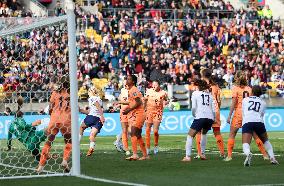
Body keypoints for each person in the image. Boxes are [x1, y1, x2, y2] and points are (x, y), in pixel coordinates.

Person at [224, 71, 269, 162]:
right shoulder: (249, 88)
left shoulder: (235, 88)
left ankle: (229, 156)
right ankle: (265, 155)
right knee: (255, 135)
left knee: (232, 134)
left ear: (237, 78)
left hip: (239, 113)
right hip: (248, 113)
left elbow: (233, 103)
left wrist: (229, 115)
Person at [37, 77, 72, 173]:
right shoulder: (71, 94)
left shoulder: (55, 93)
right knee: (69, 141)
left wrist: (52, 114)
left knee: (49, 142)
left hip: (54, 119)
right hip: (66, 120)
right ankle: (65, 161)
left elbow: (50, 107)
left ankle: (40, 166)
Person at [242, 85, 279, 166]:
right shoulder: (263, 102)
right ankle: (272, 158)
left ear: (252, 92)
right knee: (265, 140)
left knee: (245, 143)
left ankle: (248, 154)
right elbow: (261, 114)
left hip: (248, 121)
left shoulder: (245, 100)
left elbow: (244, 113)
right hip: (259, 122)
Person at [182, 79, 216, 162]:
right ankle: (203, 154)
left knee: (190, 135)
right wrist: (213, 118)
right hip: (210, 117)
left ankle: (187, 157)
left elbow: (193, 107)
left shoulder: (195, 93)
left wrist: (194, 114)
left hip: (201, 116)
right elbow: (214, 109)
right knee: (204, 134)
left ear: (198, 86)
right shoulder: (210, 95)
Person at [195, 69, 225, 159]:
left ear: (203, 75)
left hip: (204, 111)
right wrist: (217, 110)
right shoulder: (216, 86)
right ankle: (222, 153)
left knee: (199, 132)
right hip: (215, 111)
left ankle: (200, 153)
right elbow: (219, 101)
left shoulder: (200, 86)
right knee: (217, 132)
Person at [123, 75, 149, 161]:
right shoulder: (131, 90)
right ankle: (145, 155)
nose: (127, 80)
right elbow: (133, 102)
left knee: (133, 132)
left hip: (139, 114)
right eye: (127, 78)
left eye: (129, 79)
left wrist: (128, 110)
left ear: (133, 81)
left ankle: (135, 154)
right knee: (137, 135)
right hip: (137, 114)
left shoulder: (133, 90)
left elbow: (138, 102)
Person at [79, 86, 105, 156]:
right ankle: (91, 148)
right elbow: (91, 111)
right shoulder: (100, 99)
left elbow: (98, 106)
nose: (88, 92)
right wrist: (81, 110)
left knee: (81, 127)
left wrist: (102, 116)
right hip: (98, 119)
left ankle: (76, 146)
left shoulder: (92, 98)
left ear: (92, 92)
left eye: (89, 91)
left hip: (92, 117)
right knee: (92, 135)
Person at [144, 80, 168, 155]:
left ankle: (156, 145)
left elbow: (167, 101)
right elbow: (145, 100)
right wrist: (144, 109)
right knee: (147, 130)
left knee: (155, 131)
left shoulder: (163, 93)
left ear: (159, 85)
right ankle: (147, 148)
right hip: (149, 112)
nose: (154, 86)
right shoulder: (149, 91)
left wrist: (164, 103)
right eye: (153, 85)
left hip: (158, 112)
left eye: (155, 85)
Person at [114, 80, 131, 155]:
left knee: (130, 130)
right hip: (123, 112)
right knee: (126, 130)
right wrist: (117, 105)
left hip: (131, 112)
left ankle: (118, 140)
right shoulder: (123, 90)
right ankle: (122, 144)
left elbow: (131, 101)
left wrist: (120, 103)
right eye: (124, 84)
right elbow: (121, 99)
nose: (125, 85)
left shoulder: (133, 90)